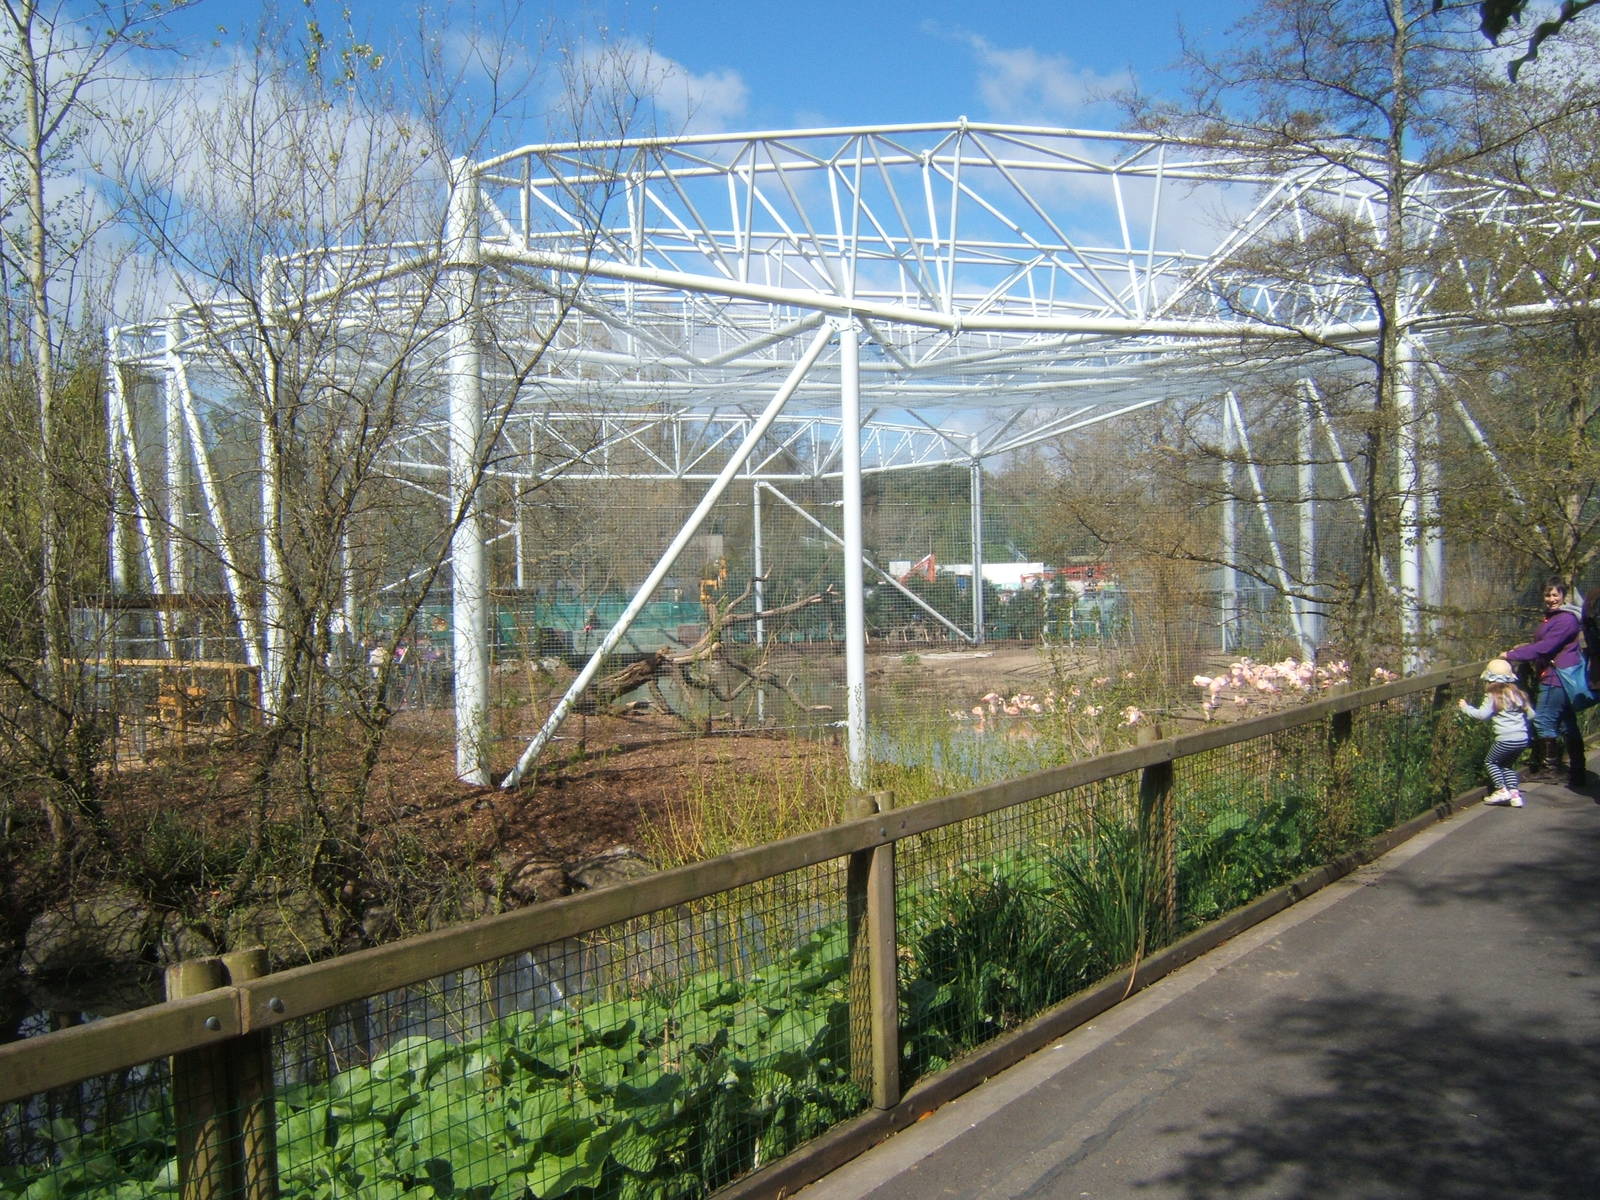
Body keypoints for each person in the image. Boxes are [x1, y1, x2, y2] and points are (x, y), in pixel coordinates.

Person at [1503, 577, 1587, 788]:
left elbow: (1546, 646)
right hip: (1556, 674)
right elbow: (1542, 644)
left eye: (1555, 594)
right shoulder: (1553, 617)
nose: (1551, 599)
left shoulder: (1565, 620)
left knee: (1543, 720)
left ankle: (1551, 769)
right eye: (1547, 595)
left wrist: (1512, 654)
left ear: (1563, 596)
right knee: (1567, 723)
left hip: (1555, 676)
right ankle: (1578, 771)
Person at [1458, 659, 1533, 807]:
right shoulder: (1517, 694)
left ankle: (1501, 789)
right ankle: (1515, 795)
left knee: (1490, 762)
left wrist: (1465, 708)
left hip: (1505, 739)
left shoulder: (1492, 696)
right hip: (1522, 738)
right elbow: (1532, 715)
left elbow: (1483, 715)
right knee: (1507, 766)